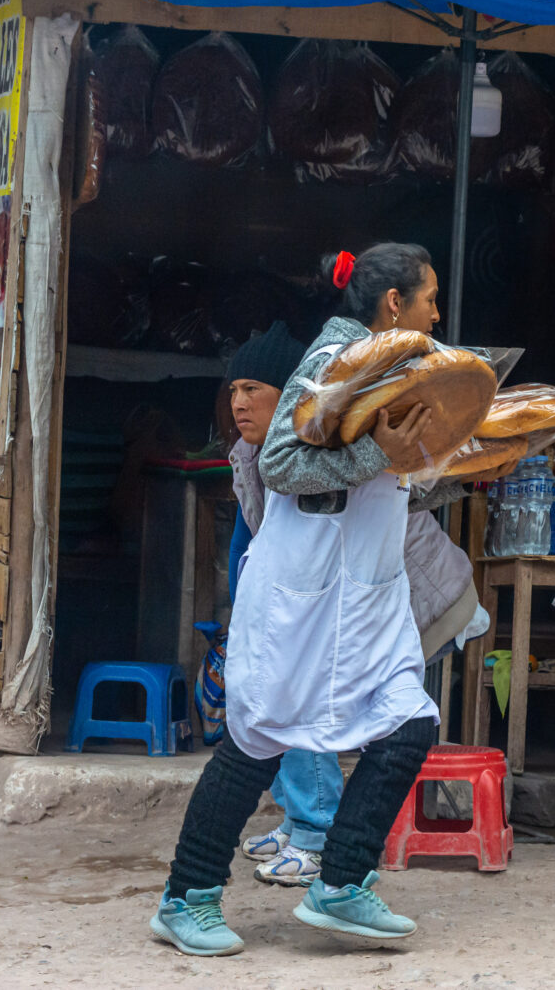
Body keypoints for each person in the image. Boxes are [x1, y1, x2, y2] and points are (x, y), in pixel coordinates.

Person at [151, 243, 465, 956]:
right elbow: (281, 462)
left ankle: (342, 883)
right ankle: (184, 897)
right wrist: (376, 455)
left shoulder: (399, 370)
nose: (436, 312)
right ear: (394, 304)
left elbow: (394, 474)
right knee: (257, 740)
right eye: (429, 297)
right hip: (302, 590)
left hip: (365, 592)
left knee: (408, 723)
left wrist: (467, 461)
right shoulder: (331, 359)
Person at [220, 321, 488, 888]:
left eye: (254, 390)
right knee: (294, 701)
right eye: (234, 391)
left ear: (294, 394)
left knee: (334, 710)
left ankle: (321, 841)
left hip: (421, 600)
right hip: (356, 610)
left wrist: (478, 472)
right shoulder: (255, 454)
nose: (239, 403)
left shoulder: (342, 451)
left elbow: (422, 485)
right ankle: (307, 832)